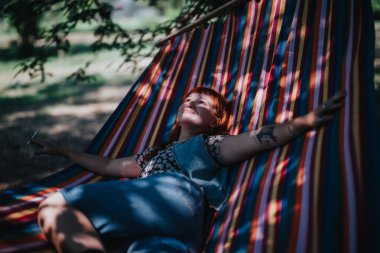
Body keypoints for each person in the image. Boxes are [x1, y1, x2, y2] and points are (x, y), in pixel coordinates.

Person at [31, 87, 345, 253]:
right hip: (176, 231)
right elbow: (110, 165)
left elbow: (258, 139)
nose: (192, 100)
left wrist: (305, 122)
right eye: (188, 98)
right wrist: (62, 151)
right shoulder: (154, 153)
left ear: (214, 121)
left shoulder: (210, 144)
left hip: (173, 194)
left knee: (57, 205)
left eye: (203, 102)